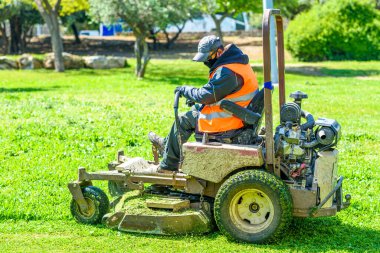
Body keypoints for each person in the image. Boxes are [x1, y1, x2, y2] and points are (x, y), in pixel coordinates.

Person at [149, 35, 259, 172]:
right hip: (238, 114)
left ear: (219, 52)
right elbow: (215, 92)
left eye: (208, 58)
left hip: (230, 122)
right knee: (195, 109)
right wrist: (196, 98)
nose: (206, 61)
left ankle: (167, 166)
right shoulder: (236, 63)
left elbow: (206, 95)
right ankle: (167, 145)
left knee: (184, 119)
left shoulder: (228, 72)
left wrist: (185, 90)